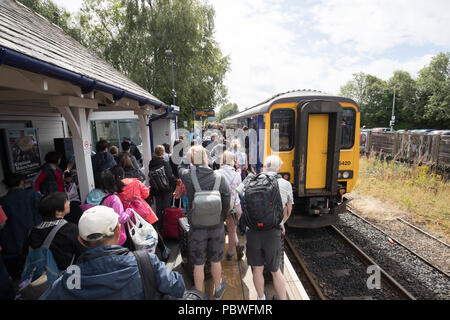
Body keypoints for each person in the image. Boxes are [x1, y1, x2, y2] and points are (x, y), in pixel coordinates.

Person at [40, 205, 185, 300]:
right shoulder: (145, 262)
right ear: (117, 231)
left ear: (80, 240)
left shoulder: (70, 278)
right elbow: (178, 286)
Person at [178, 145, 231, 299]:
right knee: (216, 260)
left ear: (192, 160)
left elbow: (179, 167)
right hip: (216, 226)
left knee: (198, 263)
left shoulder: (188, 176)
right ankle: (218, 290)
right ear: (207, 158)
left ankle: (199, 294)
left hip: (196, 227)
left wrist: (188, 157)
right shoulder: (219, 178)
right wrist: (221, 217)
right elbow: (227, 199)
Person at [245, 155, 293, 300]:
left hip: (253, 231)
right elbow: (289, 211)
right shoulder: (285, 184)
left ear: (264, 167)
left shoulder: (250, 180)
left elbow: (238, 193)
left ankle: (261, 298)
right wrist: (281, 223)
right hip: (273, 232)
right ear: (279, 169)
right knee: (275, 270)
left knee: (257, 270)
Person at [22, 192, 86, 273]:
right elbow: (83, 253)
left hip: (44, 279)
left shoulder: (32, 232)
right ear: (58, 212)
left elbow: (26, 256)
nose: (69, 203)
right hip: (68, 276)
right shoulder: (70, 229)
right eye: (66, 201)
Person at [0, 173, 42, 280]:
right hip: (34, 238)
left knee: (18, 276)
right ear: (21, 182)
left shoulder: (3, 201)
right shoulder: (32, 195)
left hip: (12, 243)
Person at [218, 151, 244, 261]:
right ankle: (231, 251)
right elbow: (240, 191)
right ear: (231, 161)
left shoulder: (217, 173)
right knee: (233, 230)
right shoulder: (237, 175)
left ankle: (223, 251)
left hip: (222, 207)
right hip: (236, 206)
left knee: (223, 229)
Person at [98, 169, 134, 247]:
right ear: (112, 181)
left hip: (102, 238)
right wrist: (129, 211)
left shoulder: (92, 197)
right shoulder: (113, 198)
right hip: (116, 238)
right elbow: (121, 219)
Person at [148, 145, 178, 231]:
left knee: (158, 209)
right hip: (166, 189)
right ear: (162, 152)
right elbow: (169, 176)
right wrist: (176, 181)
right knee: (166, 208)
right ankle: (166, 227)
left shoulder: (151, 163)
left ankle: (159, 228)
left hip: (156, 189)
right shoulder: (165, 162)